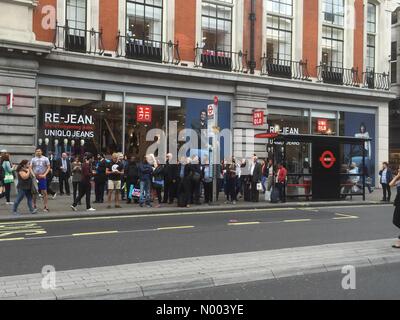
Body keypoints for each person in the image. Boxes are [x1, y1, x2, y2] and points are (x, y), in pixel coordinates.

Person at [30, 148, 51, 212]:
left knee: (44, 192)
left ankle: (45, 206)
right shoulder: (33, 159)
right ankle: (34, 205)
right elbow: (30, 167)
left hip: (42, 177)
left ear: (41, 152)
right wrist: (33, 175)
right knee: (34, 192)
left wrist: (45, 174)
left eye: (39, 151)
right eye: (37, 151)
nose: (38, 152)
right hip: (35, 177)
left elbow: (49, 167)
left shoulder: (45, 158)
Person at [389, 167, 400, 248]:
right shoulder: (398, 179)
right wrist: (397, 176)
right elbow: (390, 184)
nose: (399, 169)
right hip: (398, 202)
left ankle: (399, 241)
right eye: (399, 168)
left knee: (397, 220)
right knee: (395, 220)